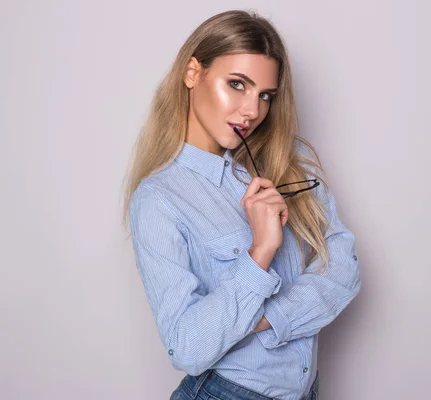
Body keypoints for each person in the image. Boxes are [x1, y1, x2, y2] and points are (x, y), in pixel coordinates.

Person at [123, 9, 361, 400]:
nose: (253, 110)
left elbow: (344, 270)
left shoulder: (288, 163)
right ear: (193, 73)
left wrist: (263, 318)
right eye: (237, 84)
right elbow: (188, 346)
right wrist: (260, 251)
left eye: (265, 95)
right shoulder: (160, 199)